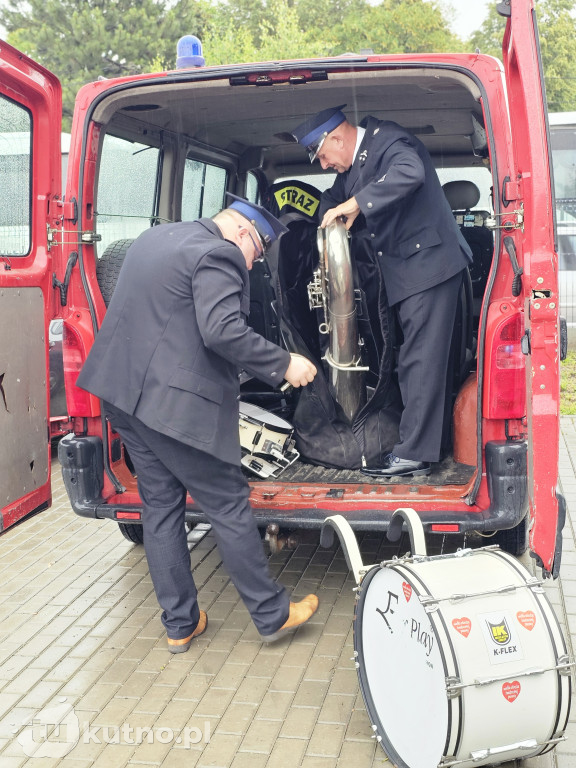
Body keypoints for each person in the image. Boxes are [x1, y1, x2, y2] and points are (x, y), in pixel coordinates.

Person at [76, 195, 319, 652]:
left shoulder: (157, 237)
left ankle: (180, 622)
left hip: (122, 395)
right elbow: (221, 329)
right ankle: (272, 613)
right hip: (172, 408)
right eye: (258, 253)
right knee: (228, 503)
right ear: (244, 233)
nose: (252, 265)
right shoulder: (221, 253)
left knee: (161, 506)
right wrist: (284, 362)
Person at [290, 105, 473, 477]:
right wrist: (325, 224)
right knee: (416, 360)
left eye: (323, 156)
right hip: (409, 273)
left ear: (338, 138)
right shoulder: (354, 167)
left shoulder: (388, 141)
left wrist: (355, 203)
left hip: (429, 267)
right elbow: (330, 199)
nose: (324, 166)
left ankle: (413, 455)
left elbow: (411, 173)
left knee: (420, 362)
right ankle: (428, 446)